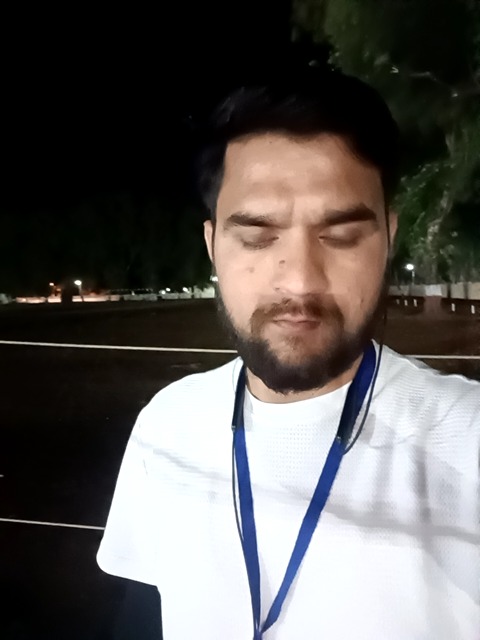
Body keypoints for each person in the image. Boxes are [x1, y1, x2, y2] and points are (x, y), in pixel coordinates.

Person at [97, 68, 480, 640]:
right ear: (213, 247)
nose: (299, 280)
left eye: (342, 235)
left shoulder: (467, 439)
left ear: (388, 239)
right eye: (257, 236)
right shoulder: (166, 426)